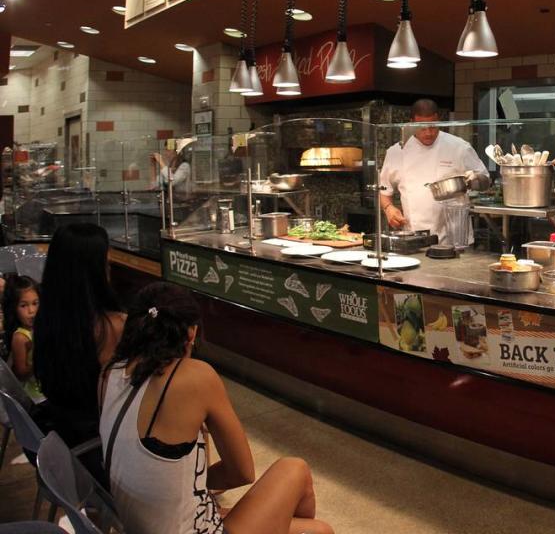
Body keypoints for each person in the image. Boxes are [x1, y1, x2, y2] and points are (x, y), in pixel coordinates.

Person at [100, 282, 334, 534]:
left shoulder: (109, 372)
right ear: (191, 334)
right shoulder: (195, 377)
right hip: (185, 527)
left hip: (143, 523)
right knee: (298, 476)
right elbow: (242, 472)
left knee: (314, 528)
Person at [33, 223, 125, 474]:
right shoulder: (111, 326)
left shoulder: (47, 317)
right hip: (102, 451)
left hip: (66, 433)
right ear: (94, 269)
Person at [378, 99, 490, 245]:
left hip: (454, 238)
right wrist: (389, 209)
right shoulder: (396, 152)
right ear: (411, 123)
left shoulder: (459, 147)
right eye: (422, 128)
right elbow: (384, 191)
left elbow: (485, 181)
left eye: (433, 126)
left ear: (439, 121)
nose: (429, 133)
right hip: (413, 238)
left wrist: (474, 179)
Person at [2, 275, 42, 401]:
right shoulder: (21, 337)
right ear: (13, 308)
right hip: (36, 397)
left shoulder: (40, 327)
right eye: (23, 305)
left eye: (35, 303)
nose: (32, 311)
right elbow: (20, 374)